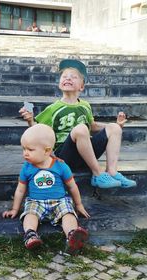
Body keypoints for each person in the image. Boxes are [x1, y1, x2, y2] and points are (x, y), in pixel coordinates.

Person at [18, 59, 136, 189]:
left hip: (87, 153)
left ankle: (112, 172)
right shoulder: (53, 108)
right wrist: (30, 120)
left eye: (73, 77)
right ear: (59, 84)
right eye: (64, 76)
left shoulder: (85, 105)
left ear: (82, 86)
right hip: (65, 156)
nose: (68, 78)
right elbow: (38, 131)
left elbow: (92, 126)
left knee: (114, 128)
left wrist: (114, 125)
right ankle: (97, 174)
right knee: (81, 129)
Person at [3, 124, 90, 255]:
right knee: (30, 214)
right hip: (36, 201)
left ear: (47, 151)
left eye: (30, 150)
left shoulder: (60, 166)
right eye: (24, 149)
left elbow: (72, 186)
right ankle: (30, 235)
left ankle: (72, 236)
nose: (25, 153)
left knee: (68, 214)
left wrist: (79, 204)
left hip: (59, 200)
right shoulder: (27, 167)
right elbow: (20, 190)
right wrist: (15, 209)